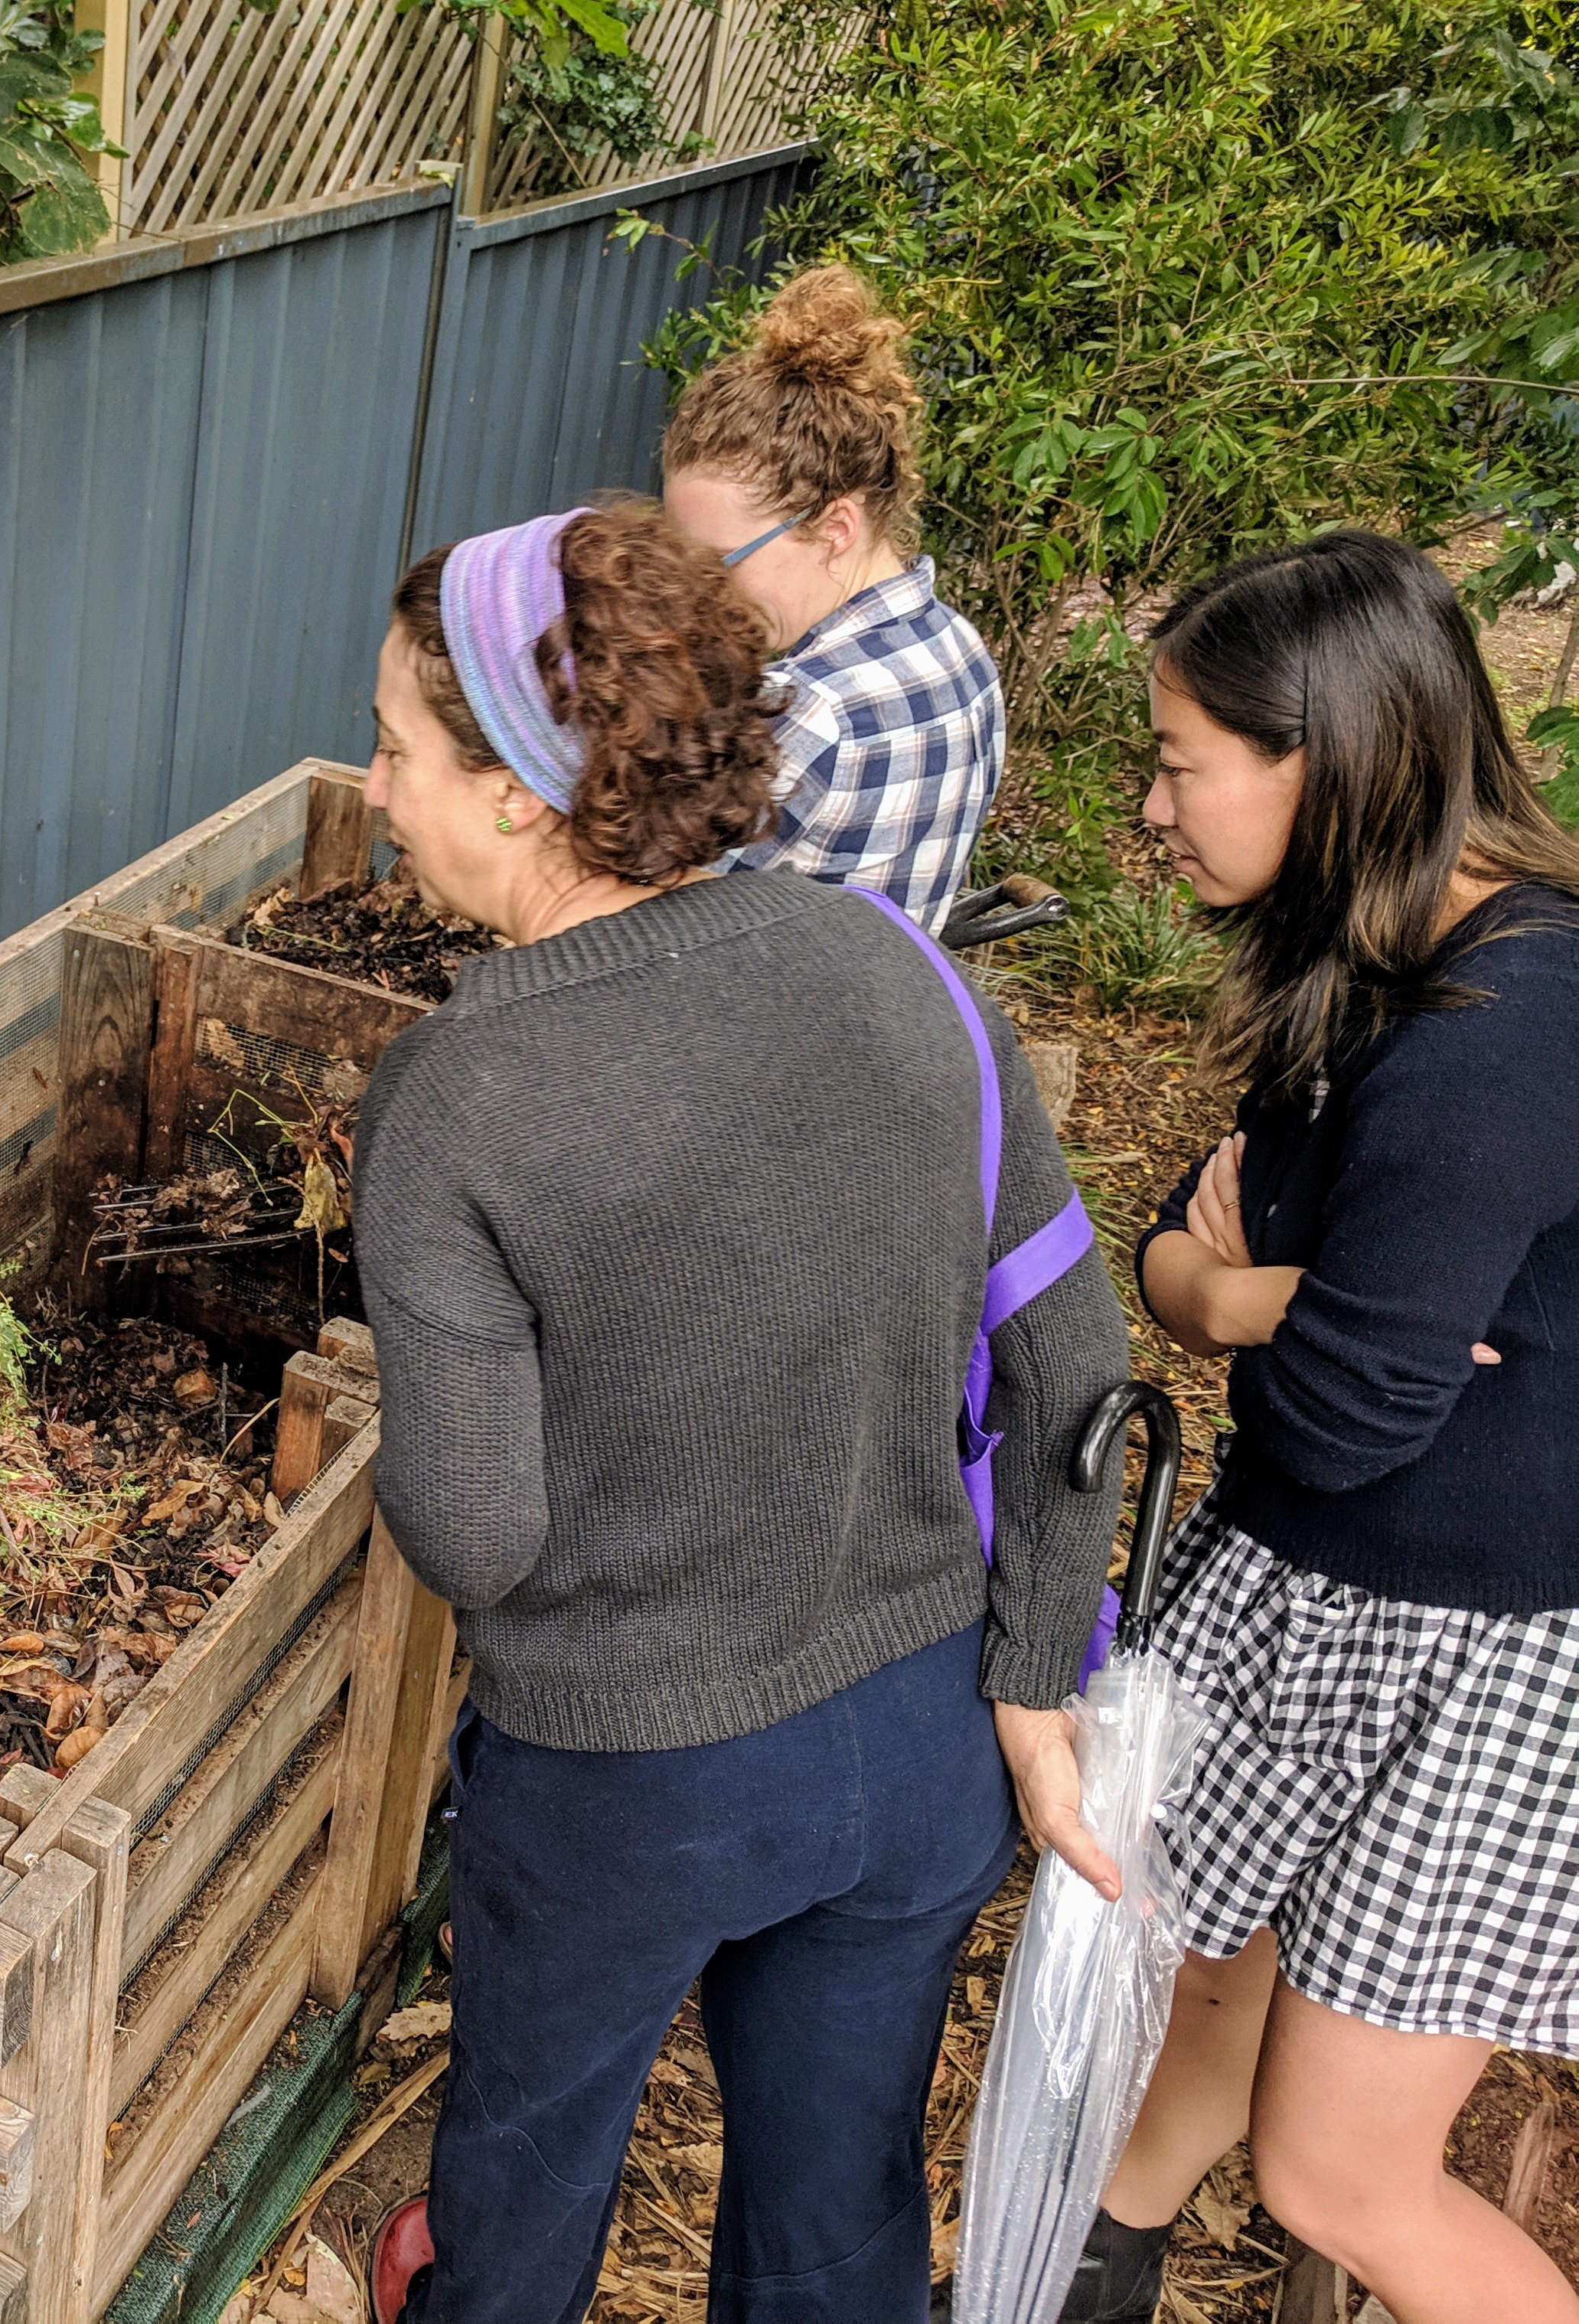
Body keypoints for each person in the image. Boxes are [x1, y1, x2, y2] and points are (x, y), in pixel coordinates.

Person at [348, 501, 1127, 2324]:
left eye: (396, 747)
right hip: (917, 1740)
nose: (374, 788)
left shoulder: (456, 1090)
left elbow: (477, 1531)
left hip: (624, 1781)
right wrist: (1029, 1678)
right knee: (837, 2211)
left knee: (526, 2183)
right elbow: (1076, 1358)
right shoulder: (906, 971)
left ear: (524, 789)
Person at [1046, 533, 1579, 2324]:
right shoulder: (1380, 965)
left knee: (1336, 2172)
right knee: (1205, 1979)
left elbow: (1355, 1412)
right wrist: (1230, 1297)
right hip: (1325, 1597)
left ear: (1328, 756)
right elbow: (1192, 1224)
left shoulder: (1503, 1026)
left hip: (1467, 1650)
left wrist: (1269, 1301)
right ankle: (1078, 2257)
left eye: (1181, 760)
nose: (1148, 803)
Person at [661, 266, 1006, 931]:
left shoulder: (810, 711)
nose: (697, 596)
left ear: (834, 529)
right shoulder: (961, 650)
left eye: (718, 565)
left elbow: (663, 935)